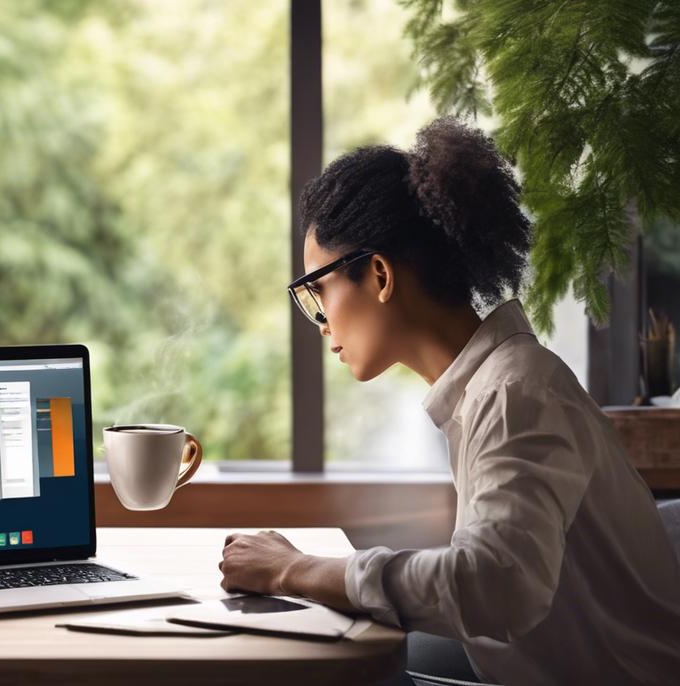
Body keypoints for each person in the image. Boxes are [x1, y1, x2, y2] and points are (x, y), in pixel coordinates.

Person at [218, 118, 680, 684]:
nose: (320, 322)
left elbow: (496, 585)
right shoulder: (496, 386)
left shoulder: (515, 394)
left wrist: (295, 570)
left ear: (380, 275)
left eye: (319, 292)